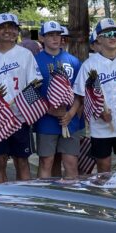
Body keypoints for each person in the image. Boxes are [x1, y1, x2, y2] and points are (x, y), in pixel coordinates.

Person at [75, 18, 116, 172]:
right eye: (107, 33)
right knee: (103, 171)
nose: (112, 37)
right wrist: (99, 111)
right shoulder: (89, 65)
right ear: (98, 38)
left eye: (115, 33)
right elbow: (81, 95)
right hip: (101, 127)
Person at [0, 13, 40, 183]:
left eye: (12, 27)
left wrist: (26, 108)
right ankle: (1, 201)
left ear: (17, 31)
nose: (8, 31)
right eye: (2, 27)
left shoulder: (26, 54)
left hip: (20, 117)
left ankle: (23, 200)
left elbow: (36, 85)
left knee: (21, 160)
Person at [35, 21, 84, 177]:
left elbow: (79, 92)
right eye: (50, 35)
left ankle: (71, 198)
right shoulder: (34, 60)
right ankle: (46, 199)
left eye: (58, 34)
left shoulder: (73, 61)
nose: (55, 38)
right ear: (42, 38)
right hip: (45, 119)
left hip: (70, 119)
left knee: (70, 162)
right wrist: (49, 109)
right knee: (46, 162)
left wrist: (71, 113)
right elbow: (30, 91)